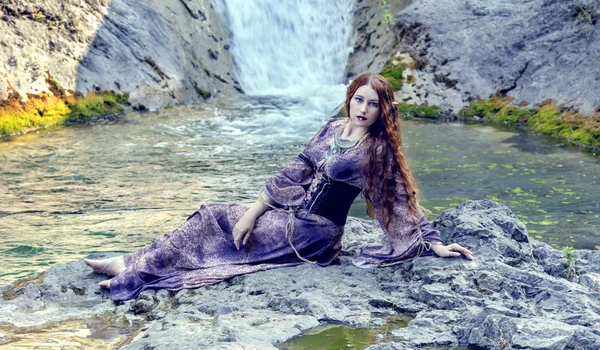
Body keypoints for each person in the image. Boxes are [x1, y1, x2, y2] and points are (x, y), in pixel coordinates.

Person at [85, 73, 473, 301]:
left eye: (373, 104)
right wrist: (256, 210)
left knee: (218, 233)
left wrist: (432, 242)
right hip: (289, 212)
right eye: (359, 99)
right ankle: (135, 259)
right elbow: (297, 170)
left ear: (382, 111)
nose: (363, 109)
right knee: (214, 213)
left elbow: (400, 200)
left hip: (313, 233)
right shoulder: (333, 128)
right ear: (350, 98)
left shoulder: (376, 152)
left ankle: (133, 271)